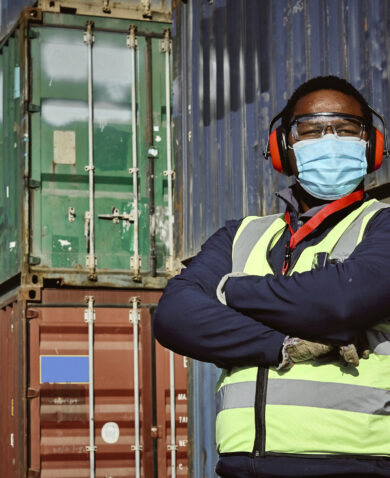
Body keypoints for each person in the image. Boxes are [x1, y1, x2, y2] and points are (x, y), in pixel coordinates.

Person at [153, 76, 390, 478]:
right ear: (283, 149)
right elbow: (174, 316)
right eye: (311, 130)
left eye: (346, 130)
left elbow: (341, 302)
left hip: (357, 467)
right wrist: (284, 344)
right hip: (239, 467)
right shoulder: (240, 234)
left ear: (371, 146)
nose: (329, 140)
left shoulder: (380, 226)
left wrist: (230, 289)